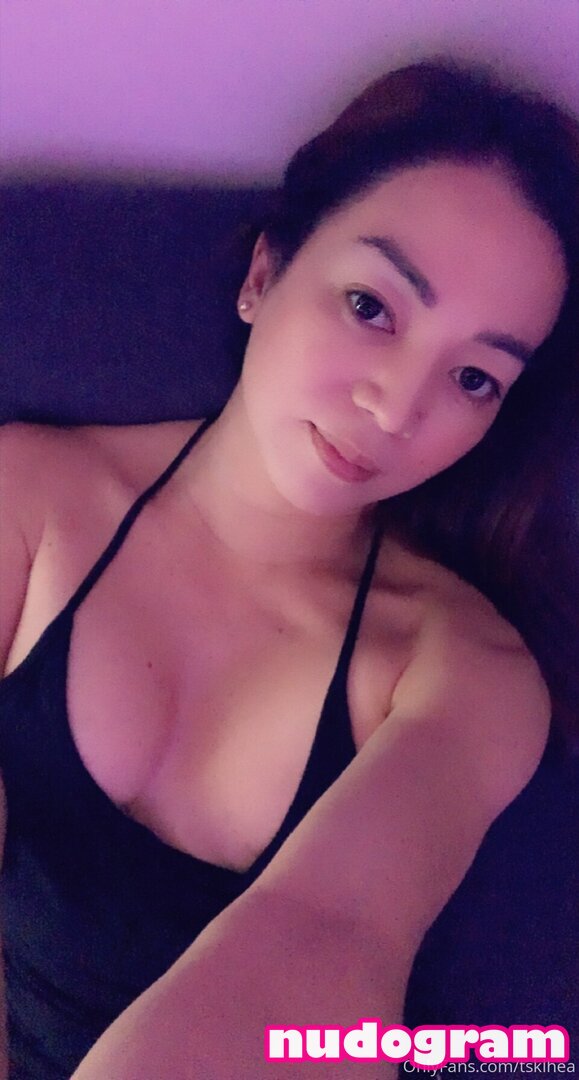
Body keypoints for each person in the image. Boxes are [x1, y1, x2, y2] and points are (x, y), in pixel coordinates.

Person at [0, 57, 578, 1079]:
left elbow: (334, 938)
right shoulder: (32, 498)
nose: (396, 408)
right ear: (263, 276)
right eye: (370, 306)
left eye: (474, 376)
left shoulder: (461, 671)